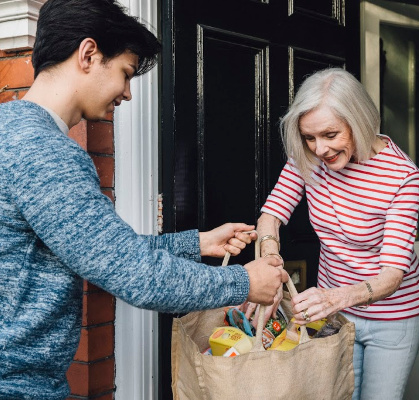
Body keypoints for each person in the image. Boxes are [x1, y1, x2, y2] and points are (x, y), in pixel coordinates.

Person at [0, 0, 287, 398]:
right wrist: (243, 282)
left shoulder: (10, 129)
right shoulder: (45, 151)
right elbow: (133, 272)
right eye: (126, 73)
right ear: (88, 54)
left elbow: (102, 251)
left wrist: (197, 243)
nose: (128, 94)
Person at [255, 68, 419, 400]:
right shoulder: (306, 157)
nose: (319, 149)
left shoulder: (403, 177)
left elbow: (392, 275)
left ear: (359, 120)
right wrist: (270, 261)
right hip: (334, 314)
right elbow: (271, 216)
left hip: (391, 318)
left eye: (330, 134)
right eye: (309, 137)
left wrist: (336, 298)